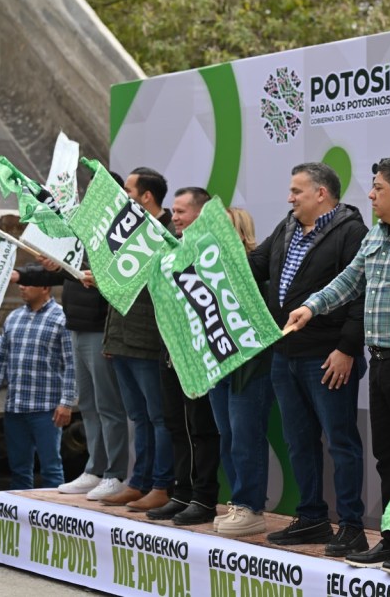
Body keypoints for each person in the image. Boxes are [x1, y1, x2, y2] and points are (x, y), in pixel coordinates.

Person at [286, 156, 390, 577]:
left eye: (378, 187)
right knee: (388, 458)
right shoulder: (377, 235)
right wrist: (310, 307)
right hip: (379, 362)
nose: (370, 195)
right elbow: (349, 281)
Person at [249, 162, 369, 553]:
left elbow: (361, 292)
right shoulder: (285, 227)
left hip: (329, 356)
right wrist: (209, 251)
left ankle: (351, 525)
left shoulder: (352, 232)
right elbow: (255, 266)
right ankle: (312, 518)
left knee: (341, 442)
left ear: (321, 193)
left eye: (297, 191)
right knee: (299, 441)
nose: (289, 198)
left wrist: (347, 348)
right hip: (285, 354)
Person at [17, 255, 131, 503]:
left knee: (108, 406)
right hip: (76, 325)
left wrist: (62, 267)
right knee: (88, 405)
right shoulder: (78, 236)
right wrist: (28, 273)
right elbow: (61, 272)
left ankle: (116, 473)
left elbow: (95, 274)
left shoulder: (104, 233)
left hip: (99, 327)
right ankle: (95, 468)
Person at [145, 187, 220, 526]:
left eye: (180, 212)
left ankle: (203, 499)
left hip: (201, 355)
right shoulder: (168, 252)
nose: (173, 217)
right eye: (173, 212)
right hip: (170, 350)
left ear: (200, 214)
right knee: (177, 424)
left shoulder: (210, 251)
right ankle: (181, 493)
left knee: (201, 427)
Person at [100, 167, 174, 511]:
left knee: (159, 417)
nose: (123, 198)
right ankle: (138, 481)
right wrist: (110, 340)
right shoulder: (126, 231)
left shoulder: (169, 235)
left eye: (128, 191)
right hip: (122, 340)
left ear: (147, 196)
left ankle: (162, 484)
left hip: (149, 342)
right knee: (138, 417)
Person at [208, 206, 274, 537]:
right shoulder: (208, 271)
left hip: (251, 368)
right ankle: (238, 502)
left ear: (242, 233)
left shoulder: (256, 270)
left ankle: (251, 507)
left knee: (246, 435)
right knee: (228, 436)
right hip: (219, 365)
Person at [0, 268, 76, 491]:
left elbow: (72, 364)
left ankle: (56, 519)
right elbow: (1, 359)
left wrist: (67, 403)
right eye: (21, 283)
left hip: (47, 409)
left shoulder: (61, 318)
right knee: (18, 469)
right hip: (16, 408)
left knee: (51, 468)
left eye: (27, 283)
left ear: (45, 288)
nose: (21, 287)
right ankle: (23, 521)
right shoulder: (13, 318)